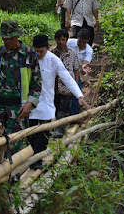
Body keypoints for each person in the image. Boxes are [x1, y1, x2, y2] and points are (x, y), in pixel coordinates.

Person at [29, 35, 90, 169]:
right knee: (31, 133)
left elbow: (67, 78)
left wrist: (79, 95)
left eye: (41, 52)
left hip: (46, 102)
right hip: (30, 102)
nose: (38, 54)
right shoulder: (29, 59)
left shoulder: (53, 60)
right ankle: (32, 158)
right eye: (36, 51)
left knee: (44, 133)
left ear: (48, 48)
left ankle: (37, 161)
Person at [0, 19, 41, 153]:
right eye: (4, 38)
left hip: (18, 108)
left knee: (15, 144)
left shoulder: (29, 55)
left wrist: (30, 103)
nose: (7, 41)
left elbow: (37, 83)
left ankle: (14, 173)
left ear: (17, 36)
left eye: (10, 38)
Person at [51, 29, 81, 137]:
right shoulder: (52, 54)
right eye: (59, 40)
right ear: (56, 40)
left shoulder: (72, 53)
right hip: (55, 86)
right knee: (56, 107)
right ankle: (58, 126)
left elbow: (76, 69)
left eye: (63, 40)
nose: (61, 42)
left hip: (67, 86)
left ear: (67, 40)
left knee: (63, 108)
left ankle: (59, 130)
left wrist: (76, 84)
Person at [67, 28, 94, 116]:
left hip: (76, 72)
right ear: (77, 38)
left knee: (77, 90)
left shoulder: (89, 50)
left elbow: (86, 62)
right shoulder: (69, 42)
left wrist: (83, 67)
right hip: (64, 69)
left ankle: (74, 115)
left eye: (84, 42)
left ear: (88, 41)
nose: (82, 44)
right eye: (80, 41)